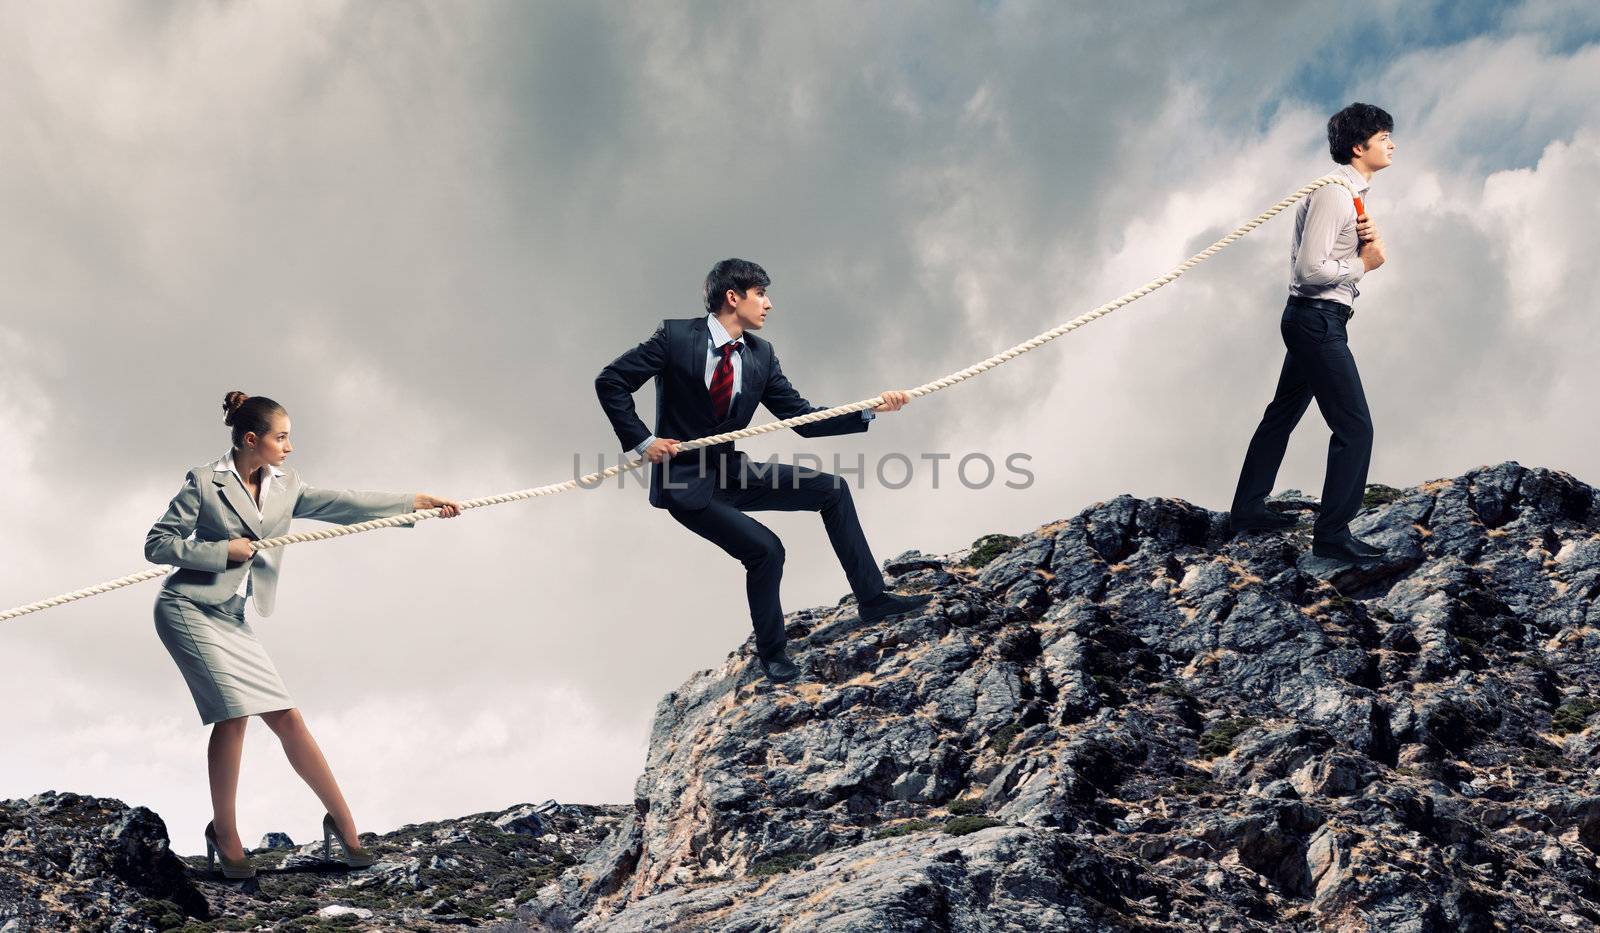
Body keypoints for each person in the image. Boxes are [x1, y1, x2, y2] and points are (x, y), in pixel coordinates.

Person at [145, 391, 462, 879]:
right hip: (188, 607)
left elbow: (343, 503)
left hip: (233, 616)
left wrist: (415, 502)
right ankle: (225, 836)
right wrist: (221, 550)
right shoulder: (204, 482)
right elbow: (157, 544)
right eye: (282, 437)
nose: (290, 447)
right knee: (233, 717)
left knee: (288, 718)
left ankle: (345, 826)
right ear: (252, 440)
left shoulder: (286, 484)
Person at [596, 258, 932, 683]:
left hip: (734, 471)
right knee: (767, 551)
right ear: (732, 298)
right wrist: (644, 442)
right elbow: (611, 382)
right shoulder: (675, 337)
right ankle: (772, 654)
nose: (769, 304)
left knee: (832, 489)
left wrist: (870, 410)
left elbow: (800, 418)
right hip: (687, 486)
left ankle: (874, 600)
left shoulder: (760, 354)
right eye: (760, 294)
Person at [1229, 103, 1395, 562]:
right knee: (1355, 429)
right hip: (1316, 320)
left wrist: (1362, 248)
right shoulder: (1335, 195)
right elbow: (1309, 271)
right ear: (1358, 147)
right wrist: (1366, 263)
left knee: (1282, 413)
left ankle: (1247, 510)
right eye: (1383, 137)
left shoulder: (1348, 194)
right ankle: (1333, 535)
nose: (1392, 144)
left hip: (1318, 320)